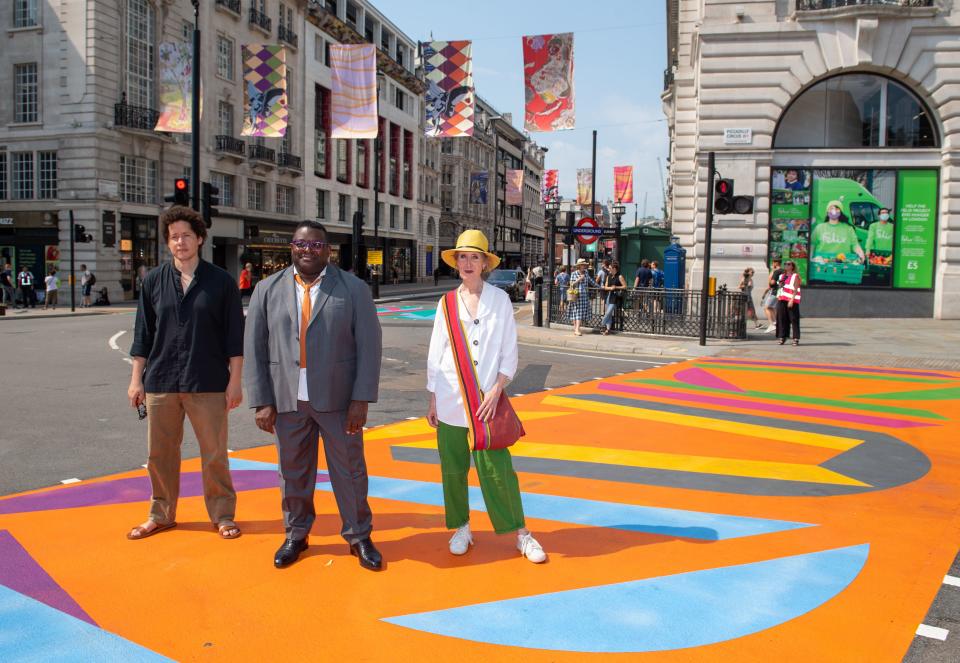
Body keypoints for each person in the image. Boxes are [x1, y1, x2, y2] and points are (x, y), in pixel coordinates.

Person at [244, 220, 384, 571]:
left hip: (339, 402)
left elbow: (370, 347)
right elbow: (256, 347)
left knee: (350, 472)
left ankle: (359, 536)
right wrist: (262, 400)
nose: (308, 251)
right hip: (287, 400)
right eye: (301, 245)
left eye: (316, 246)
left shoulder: (353, 289)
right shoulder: (266, 289)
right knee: (292, 472)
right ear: (291, 247)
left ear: (328, 250)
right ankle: (296, 534)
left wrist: (360, 399)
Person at [426, 229, 546, 564]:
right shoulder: (446, 303)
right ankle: (461, 526)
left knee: (498, 469)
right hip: (450, 398)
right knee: (452, 468)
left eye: (474, 257)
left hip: (486, 402)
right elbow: (437, 351)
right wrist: (433, 397)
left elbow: (510, 349)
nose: (467, 262)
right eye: (462, 257)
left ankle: (521, 533)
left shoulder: (500, 300)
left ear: (484, 263)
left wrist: (498, 388)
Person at [126, 206, 244, 542]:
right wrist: (136, 379)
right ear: (168, 242)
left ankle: (222, 515)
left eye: (186, 236)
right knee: (159, 454)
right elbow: (143, 334)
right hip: (161, 381)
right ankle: (161, 514)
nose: (180, 242)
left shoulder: (221, 282)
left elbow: (234, 337)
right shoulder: (152, 281)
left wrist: (235, 382)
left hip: (207, 381)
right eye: (174, 236)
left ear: (200, 239)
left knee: (214, 453)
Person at [810, 200, 865, 264]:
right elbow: (812, 244)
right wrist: (810, 258)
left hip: (843, 264)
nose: (834, 211)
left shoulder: (848, 229)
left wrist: (861, 254)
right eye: (831, 208)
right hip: (822, 264)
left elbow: (855, 245)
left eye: (837, 209)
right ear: (827, 211)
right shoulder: (819, 228)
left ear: (840, 212)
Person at [569, 258, 598, 337]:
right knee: (576, 312)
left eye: (584, 265)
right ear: (579, 266)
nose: (584, 266)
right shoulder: (574, 273)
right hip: (576, 295)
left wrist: (599, 287)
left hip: (584, 296)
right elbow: (571, 284)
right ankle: (577, 329)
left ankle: (576, 329)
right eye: (583, 265)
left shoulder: (586, 273)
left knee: (579, 313)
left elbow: (591, 281)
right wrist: (579, 279)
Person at [776, 260, 802, 346]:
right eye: (785, 264)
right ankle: (783, 337)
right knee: (782, 319)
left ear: (792, 266)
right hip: (781, 299)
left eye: (788, 264)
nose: (786, 265)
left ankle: (796, 338)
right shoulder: (781, 276)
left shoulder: (795, 276)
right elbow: (779, 288)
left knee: (793, 319)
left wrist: (792, 300)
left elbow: (796, 289)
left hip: (791, 300)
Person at [601, 261, 627, 335]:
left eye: (610, 268)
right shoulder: (608, 276)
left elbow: (625, 286)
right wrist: (610, 288)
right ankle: (608, 330)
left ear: (614, 269)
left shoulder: (620, 276)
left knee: (608, 312)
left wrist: (616, 287)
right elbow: (605, 287)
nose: (609, 269)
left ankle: (602, 324)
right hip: (608, 296)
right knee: (608, 314)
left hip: (615, 297)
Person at [762, 258, 783, 333]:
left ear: (776, 263)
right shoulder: (783, 271)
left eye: (773, 262)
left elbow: (772, 282)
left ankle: (772, 324)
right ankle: (776, 323)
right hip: (781, 291)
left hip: (774, 291)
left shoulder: (776, 271)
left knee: (766, 307)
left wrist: (772, 274)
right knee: (772, 307)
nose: (772, 264)